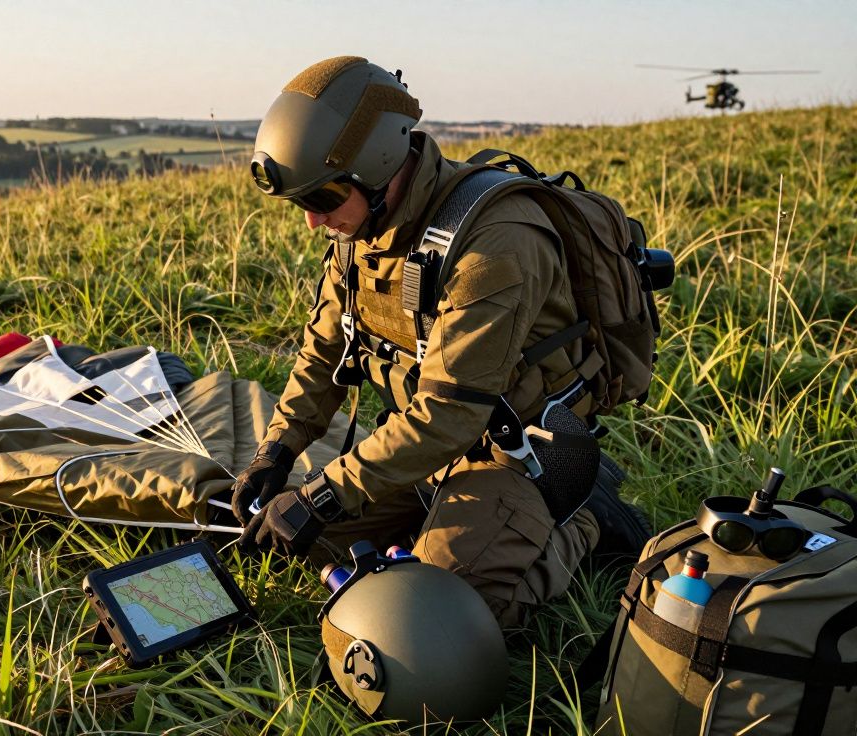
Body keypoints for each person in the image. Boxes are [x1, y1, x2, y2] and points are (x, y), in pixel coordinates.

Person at [232, 56, 651, 627]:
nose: (312, 223)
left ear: (377, 166)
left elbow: (448, 413)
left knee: (447, 617)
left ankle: (579, 518)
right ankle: (440, 518)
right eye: (302, 204)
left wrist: (321, 495)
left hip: (517, 453)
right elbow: (323, 351)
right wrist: (275, 453)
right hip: (424, 446)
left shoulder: (495, 244)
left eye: (322, 200)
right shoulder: (362, 228)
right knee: (299, 546)